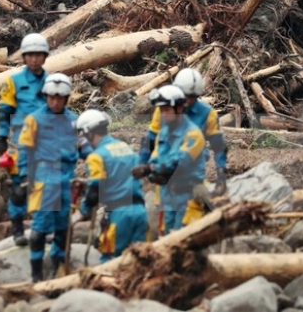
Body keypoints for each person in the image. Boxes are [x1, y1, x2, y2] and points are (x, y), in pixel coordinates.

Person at [18, 73, 79, 282]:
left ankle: (56, 269)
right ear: (45, 96)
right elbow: (24, 148)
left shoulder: (74, 120)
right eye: (51, 97)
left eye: (59, 98)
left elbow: (85, 145)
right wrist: (24, 174)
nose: (54, 102)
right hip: (44, 177)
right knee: (39, 229)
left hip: (67, 177)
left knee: (63, 227)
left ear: (66, 99)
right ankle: (36, 275)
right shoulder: (34, 119)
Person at [0, 33, 50, 246]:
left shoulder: (52, 82)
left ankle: (40, 228)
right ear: (24, 57)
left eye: (38, 55)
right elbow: (4, 111)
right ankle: (17, 229)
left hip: (46, 143)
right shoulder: (13, 81)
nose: (34, 59)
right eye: (30, 55)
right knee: (19, 188)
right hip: (22, 143)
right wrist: (1, 138)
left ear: (44, 57)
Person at [74, 110, 148, 263]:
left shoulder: (96, 157)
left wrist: (82, 213)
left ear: (89, 132)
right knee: (140, 262)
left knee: (110, 261)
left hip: (119, 215)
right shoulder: (126, 148)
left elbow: (95, 191)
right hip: (140, 211)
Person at [131, 85, 206, 235]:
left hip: (187, 200)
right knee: (165, 238)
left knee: (181, 241)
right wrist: (146, 167)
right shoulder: (163, 133)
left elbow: (178, 163)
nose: (162, 114)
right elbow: (156, 157)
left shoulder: (194, 135)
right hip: (167, 198)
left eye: (166, 110)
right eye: (161, 110)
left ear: (179, 108)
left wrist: (150, 169)